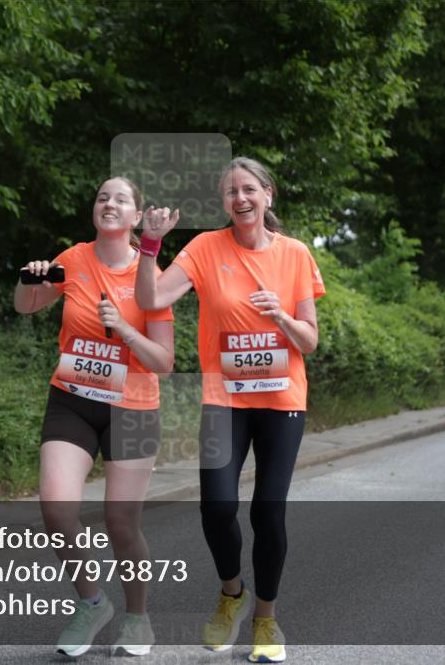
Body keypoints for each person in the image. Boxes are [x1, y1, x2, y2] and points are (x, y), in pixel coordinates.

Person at [135, 157, 324, 663]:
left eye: (248, 190)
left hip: (282, 401)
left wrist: (280, 314)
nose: (239, 199)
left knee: (268, 512)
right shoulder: (203, 248)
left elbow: (309, 340)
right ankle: (231, 594)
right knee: (217, 507)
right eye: (230, 192)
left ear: (268, 196)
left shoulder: (296, 254)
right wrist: (150, 244)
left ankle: (266, 619)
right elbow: (151, 296)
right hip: (225, 400)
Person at [14, 176, 175, 657]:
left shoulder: (153, 276)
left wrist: (125, 328)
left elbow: (164, 361)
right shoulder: (74, 258)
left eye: (121, 199)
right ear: (95, 211)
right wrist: (30, 279)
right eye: (103, 197)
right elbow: (26, 307)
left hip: (133, 408)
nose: (109, 203)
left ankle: (138, 618)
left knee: (120, 523)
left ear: (135, 217)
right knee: (56, 506)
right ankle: (91, 603)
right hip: (73, 399)